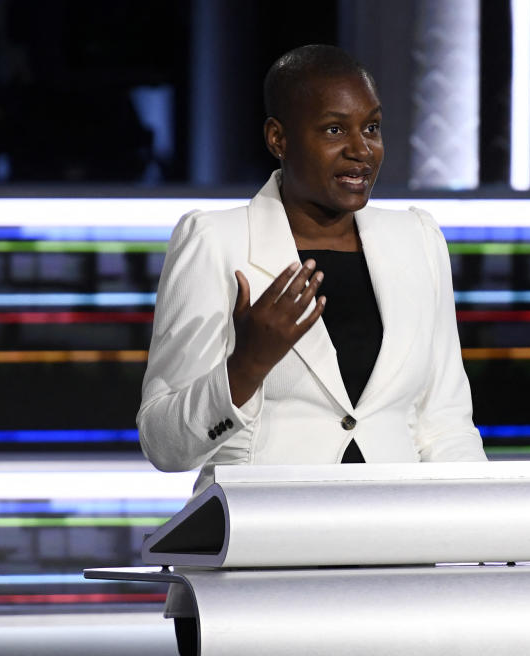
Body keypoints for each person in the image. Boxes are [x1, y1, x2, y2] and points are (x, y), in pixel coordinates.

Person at [137, 44, 486, 656]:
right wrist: (246, 365)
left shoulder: (418, 240)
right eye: (334, 129)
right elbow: (164, 442)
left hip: (398, 573)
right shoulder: (216, 241)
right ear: (279, 138)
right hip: (254, 577)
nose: (362, 149)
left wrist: (485, 554)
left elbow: (445, 423)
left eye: (371, 127)